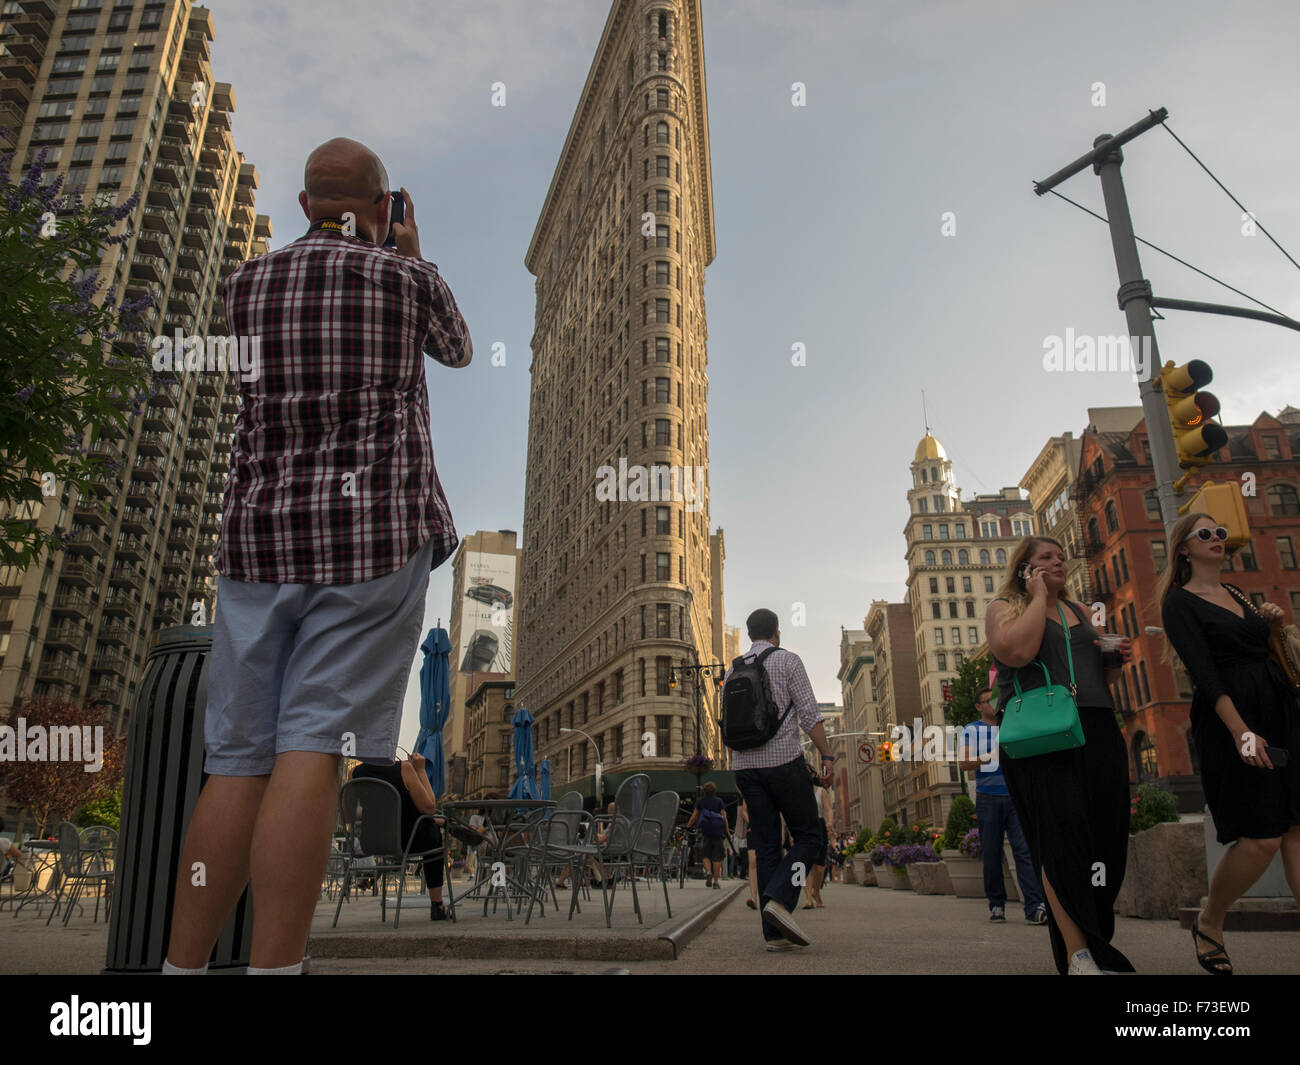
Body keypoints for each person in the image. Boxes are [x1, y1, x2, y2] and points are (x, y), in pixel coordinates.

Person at [163, 138, 471, 976]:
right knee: (312, 748)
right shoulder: (403, 279)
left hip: (259, 542)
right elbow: (459, 347)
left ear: (304, 206)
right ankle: (273, 970)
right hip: (369, 541)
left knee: (236, 761)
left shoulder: (244, 285)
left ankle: (180, 971)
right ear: (384, 206)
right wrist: (407, 252)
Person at [986, 537, 1135, 975]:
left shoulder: (1080, 611)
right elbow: (1017, 652)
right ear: (1025, 568)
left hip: (1097, 727)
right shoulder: (1006, 607)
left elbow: (1101, 678)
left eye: (1060, 557)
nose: (1058, 562)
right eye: (1045, 558)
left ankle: (1096, 939)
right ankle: (1078, 953)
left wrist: (1115, 658)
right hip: (1043, 736)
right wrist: (1036, 598)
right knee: (1060, 843)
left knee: (1105, 844)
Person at [1159, 512, 1300, 975]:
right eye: (1206, 534)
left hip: (1281, 712)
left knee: (1297, 830)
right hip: (1232, 722)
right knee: (1261, 838)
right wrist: (1241, 732)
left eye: (1220, 533)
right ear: (1184, 548)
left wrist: (1276, 622)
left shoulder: (1237, 592)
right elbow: (1205, 675)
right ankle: (1210, 921)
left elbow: (1267, 652)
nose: (1218, 539)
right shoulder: (1179, 603)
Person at [726, 608, 834, 951]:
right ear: (776, 631)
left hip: (745, 767)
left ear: (749, 633)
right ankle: (779, 898)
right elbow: (809, 714)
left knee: (768, 844)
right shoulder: (788, 661)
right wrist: (827, 756)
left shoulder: (733, 669)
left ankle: (773, 935)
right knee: (810, 836)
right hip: (783, 763)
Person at [958, 687, 1046, 924]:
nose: (994, 705)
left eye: (996, 700)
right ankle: (997, 904)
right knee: (992, 853)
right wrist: (990, 755)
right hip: (988, 798)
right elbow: (964, 763)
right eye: (989, 701)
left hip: (1015, 796)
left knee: (1024, 851)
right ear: (979, 706)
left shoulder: (1012, 724)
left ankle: (1034, 906)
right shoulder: (972, 730)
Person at [349, 752, 448, 919]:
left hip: (371, 842)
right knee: (435, 835)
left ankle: (450, 825)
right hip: (408, 841)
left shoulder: (355, 774)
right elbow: (430, 808)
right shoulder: (405, 769)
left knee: (433, 823)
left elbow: (348, 814)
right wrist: (421, 771)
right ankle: (437, 904)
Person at [686, 781, 728, 888]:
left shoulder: (701, 801)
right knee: (717, 858)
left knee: (705, 855)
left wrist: (688, 826)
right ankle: (716, 882)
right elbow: (724, 817)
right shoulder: (719, 801)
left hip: (705, 832)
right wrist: (726, 830)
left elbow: (694, 816)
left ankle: (708, 872)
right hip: (718, 832)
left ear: (704, 791)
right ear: (714, 791)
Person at [803, 763, 831, 908]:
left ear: (813, 774)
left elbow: (828, 809)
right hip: (803, 826)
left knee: (819, 867)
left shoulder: (821, 791)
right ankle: (807, 899)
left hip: (819, 825)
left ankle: (817, 892)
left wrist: (830, 822)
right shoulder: (798, 793)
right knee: (804, 864)